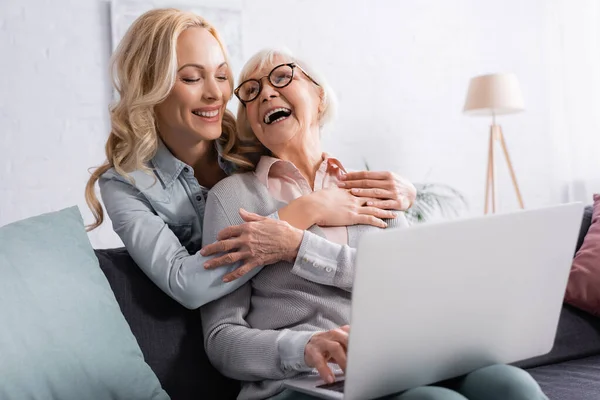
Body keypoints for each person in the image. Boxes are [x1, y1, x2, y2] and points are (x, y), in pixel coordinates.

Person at [200, 48, 550, 400]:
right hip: (303, 382)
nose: (267, 94)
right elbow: (221, 338)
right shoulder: (233, 198)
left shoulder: (373, 189)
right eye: (251, 91)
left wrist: (300, 249)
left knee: (510, 384)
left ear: (319, 96)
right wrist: (303, 346)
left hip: (398, 366)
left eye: (281, 77)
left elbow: (413, 284)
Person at [84, 8, 417, 310]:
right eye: (191, 77)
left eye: (221, 74)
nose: (216, 93)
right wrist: (306, 210)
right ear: (150, 87)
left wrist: (408, 194)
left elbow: (308, 157)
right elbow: (183, 283)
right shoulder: (123, 185)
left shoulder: (251, 144)